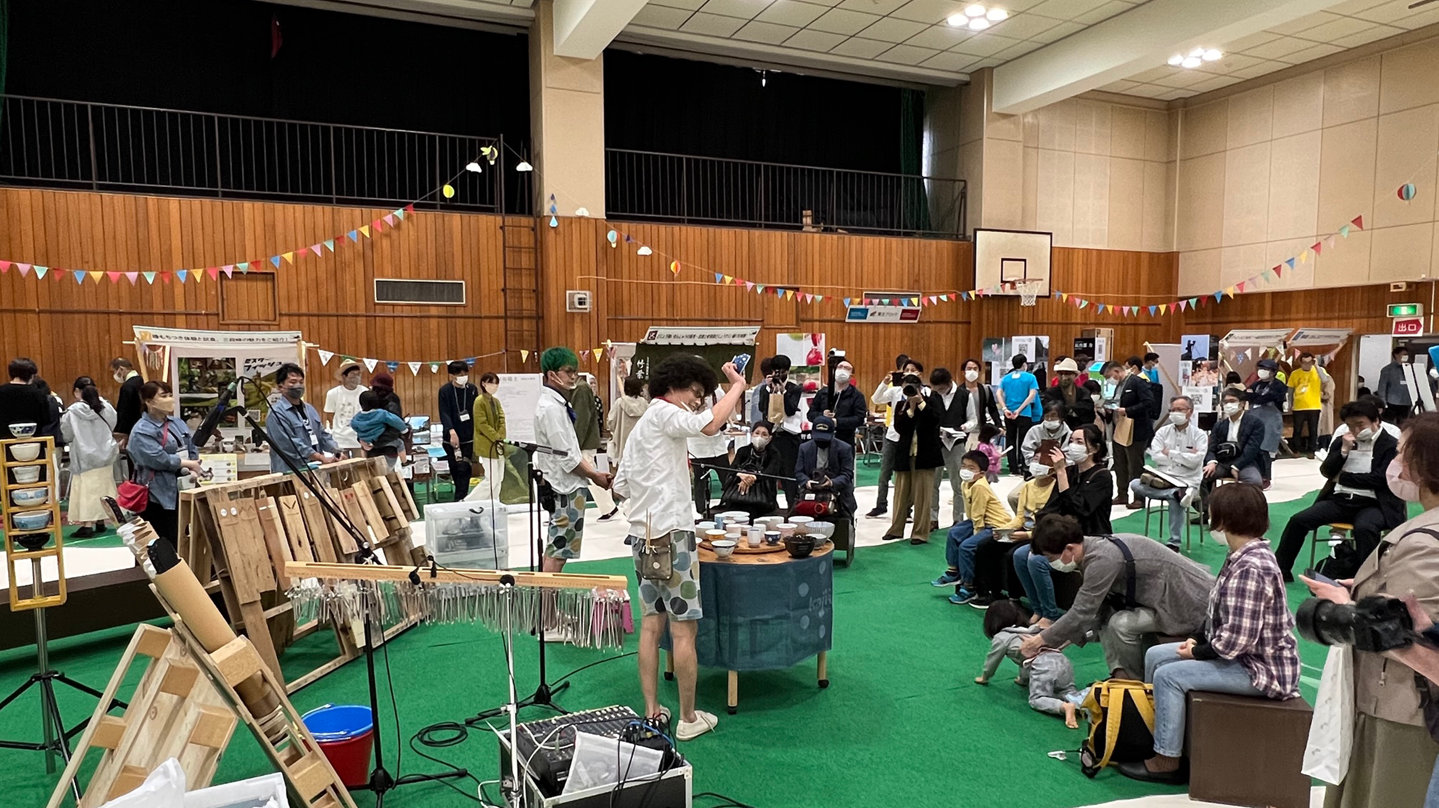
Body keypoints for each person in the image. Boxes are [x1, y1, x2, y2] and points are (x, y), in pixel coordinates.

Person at [1300, 412, 1439, 808]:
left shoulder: (1426, 542)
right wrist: (1365, 592)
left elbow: (1403, 631)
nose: (1396, 462)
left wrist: (1347, 609)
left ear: (1424, 464)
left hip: (1404, 705)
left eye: (1401, 452)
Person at [1120, 483, 1300, 784]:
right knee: (1155, 655)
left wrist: (1197, 652)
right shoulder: (1241, 554)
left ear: (1224, 518)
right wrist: (1198, 639)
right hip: (1242, 656)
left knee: (1168, 676)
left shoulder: (1251, 567)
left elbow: (1236, 641)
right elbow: (1218, 614)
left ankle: (1166, 760)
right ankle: (1156, 734)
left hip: (1261, 670)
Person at [612, 355, 747, 741]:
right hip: (672, 536)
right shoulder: (665, 414)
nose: (697, 401)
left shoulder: (643, 426)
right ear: (674, 387)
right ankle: (688, 718)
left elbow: (619, 486)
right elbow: (710, 424)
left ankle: (652, 710)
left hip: (642, 537)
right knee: (684, 631)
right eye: (695, 392)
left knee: (651, 626)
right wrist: (737, 386)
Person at [1023, 514, 1214, 679]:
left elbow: (1082, 611)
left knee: (1120, 624)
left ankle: (1134, 681)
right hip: (1167, 598)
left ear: (1070, 548)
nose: (1051, 563)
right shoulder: (1093, 547)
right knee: (1106, 618)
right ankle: (1119, 675)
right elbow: (1096, 610)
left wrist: (1040, 640)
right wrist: (1058, 640)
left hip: (1189, 605)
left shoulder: (1102, 560)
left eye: (1051, 558)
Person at [1275, 398, 1404, 579]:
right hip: (1340, 500)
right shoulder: (1343, 440)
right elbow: (1327, 471)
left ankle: (1365, 579)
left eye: (1360, 425)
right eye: (1351, 426)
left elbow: (1380, 479)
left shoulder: (1390, 445)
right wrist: (1343, 451)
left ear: (1376, 421)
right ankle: (1281, 569)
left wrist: (1343, 477)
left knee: (1365, 528)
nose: (1356, 431)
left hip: (1374, 503)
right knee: (1298, 520)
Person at [1013, 425, 1114, 630]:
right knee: (1020, 555)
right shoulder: (1070, 471)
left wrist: (1059, 471)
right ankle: (1038, 608)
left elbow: (1082, 509)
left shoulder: (1102, 476)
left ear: (1094, 448)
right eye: (1072, 441)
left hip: (1089, 536)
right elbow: (1052, 506)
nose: (1072, 446)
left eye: (1079, 442)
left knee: (1036, 560)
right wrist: (1039, 528)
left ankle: (1050, 615)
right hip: (1062, 535)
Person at [535, 348, 612, 575]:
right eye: (568, 371)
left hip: (568, 484)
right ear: (552, 374)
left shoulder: (558, 403)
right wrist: (595, 475)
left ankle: (548, 597)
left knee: (559, 548)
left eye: (575, 371)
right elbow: (566, 456)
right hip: (564, 486)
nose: (573, 376)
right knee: (558, 551)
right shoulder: (550, 408)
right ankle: (547, 598)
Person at [976, 599, 1080, 728]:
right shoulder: (1029, 630)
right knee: (1068, 691)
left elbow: (993, 659)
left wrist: (985, 676)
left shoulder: (1001, 638)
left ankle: (1063, 707)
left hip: (1044, 666)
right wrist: (1023, 679)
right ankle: (1083, 703)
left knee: (1037, 699)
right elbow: (1024, 662)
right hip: (1062, 661)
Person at [127, 381, 203, 550]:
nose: (169, 399)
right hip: (156, 494)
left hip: (182, 487)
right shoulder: (141, 430)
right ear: (148, 401)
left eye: (170, 395)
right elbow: (157, 458)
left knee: (182, 537)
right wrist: (186, 463)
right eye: (163, 396)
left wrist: (193, 467)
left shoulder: (178, 423)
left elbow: (191, 447)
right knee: (159, 542)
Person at [936, 450, 1013, 607]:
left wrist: (975, 535)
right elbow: (971, 513)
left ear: (982, 473)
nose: (965, 470)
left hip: (994, 524)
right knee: (954, 532)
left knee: (967, 547)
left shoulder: (980, 486)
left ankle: (968, 586)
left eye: (971, 468)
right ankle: (953, 571)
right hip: (977, 520)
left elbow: (979, 514)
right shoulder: (965, 483)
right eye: (964, 466)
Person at [1129, 395, 1206, 551]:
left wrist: (1170, 453)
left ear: (1190, 412)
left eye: (1179, 409)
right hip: (1163, 479)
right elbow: (1156, 456)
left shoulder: (1200, 435)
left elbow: (1195, 461)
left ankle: (1174, 542)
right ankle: (1175, 493)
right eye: (1172, 410)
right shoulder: (1162, 432)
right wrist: (1184, 456)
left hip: (1187, 481)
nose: (1175, 413)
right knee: (1135, 484)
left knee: (1176, 500)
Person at [883, 377, 941, 544]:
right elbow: (899, 428)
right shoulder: (901, 405)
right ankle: (896, 529)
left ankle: (920, 533)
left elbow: (934, 421)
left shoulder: (931, 401)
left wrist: (920, 403)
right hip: (905, 454)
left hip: (925, 455)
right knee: (900, 495)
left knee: (922, 496)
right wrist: (911, 409)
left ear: (920, 388)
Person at [60, 376, 119, 537]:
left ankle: (87, 525)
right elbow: (113, 424)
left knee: (86, 490)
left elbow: (66, 434)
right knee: (105, 488)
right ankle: (101, 521)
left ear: (77, 392)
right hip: (106, 453)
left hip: (84, 456)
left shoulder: (72, 412)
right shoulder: (107, 407)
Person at [867, 358, 925, 518]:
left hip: (912, 438)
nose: (909, 373)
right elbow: (876, 399)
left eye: (913, 370)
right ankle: (881, 505)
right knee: (884, 473)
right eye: (907, 370)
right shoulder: (895, 391)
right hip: (893, 436)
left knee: (908, 474)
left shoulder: (925, 392)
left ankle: (907, 509)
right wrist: (885, 383)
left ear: (920, 374)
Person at [266, 363, 338, 473]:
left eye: (301, 382)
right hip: (291, 471)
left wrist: (336, 451)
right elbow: (289, 444)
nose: (298, 386)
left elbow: (322, 434)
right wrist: (319, 457)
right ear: (280, 387)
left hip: (316, 469)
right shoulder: (276, 413)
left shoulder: (309, 409)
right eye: (293, 382)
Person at [1202, 388, 1265, 511]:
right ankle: (1207, 512)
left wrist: (1237, 466)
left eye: (1232, 401)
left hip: (1245, 462)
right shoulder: (1219, 425)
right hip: (1222, 462)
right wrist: (1211, 462)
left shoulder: (1255, 423)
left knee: (1255, 481)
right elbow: (1211, 447)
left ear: (1242, 403)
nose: (1228, 405)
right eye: (1225, 402)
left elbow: (1252, 448)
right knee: (1201, 477)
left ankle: (1251, 513)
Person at [755, 355, 802, 508]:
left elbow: (790, 410)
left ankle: (792, 507)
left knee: (789, 475)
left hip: (789, 436)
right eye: (775, 372)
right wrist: (769, 390)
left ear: (787, 371)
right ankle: (771, 506)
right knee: (770, 474)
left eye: (781, 372)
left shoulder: (794, 388)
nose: (778, 375)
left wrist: (783, 392)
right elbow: (762, 408)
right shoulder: (765, 388)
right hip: (772, 436)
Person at [927, 367, 970, 533]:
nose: (938, 392)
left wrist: (963, 427)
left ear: (949, 383)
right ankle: (932, 518)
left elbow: (973, 420)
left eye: (941, 389)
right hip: (936, 444)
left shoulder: (964, 396)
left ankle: (958, 518)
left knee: (958, 484)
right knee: (932, 484)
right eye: (936, 389)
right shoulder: (932, 396)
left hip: (956, 443)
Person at [1111, 357, 1157, 508]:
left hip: (1136, 428)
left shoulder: (1137, 382)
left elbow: (1148, 402)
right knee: (1120, 463)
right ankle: (1122, 494)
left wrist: (1128, 410)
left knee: (1135, 465)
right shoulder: (1119, 385)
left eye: (1109, 376)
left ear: (1116, 371)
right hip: (1120, 427)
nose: (1109, 380)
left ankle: (1139, 497)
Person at [602, 376, 646, 519]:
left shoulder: (620, 403)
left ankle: (623, 506)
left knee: (622, 476)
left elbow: (611, 422)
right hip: (642, 447)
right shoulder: (645, 404)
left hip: (623, 445)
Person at [795, 415, 856, 517]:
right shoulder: (804, 448)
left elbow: (847, 474)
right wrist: (806, 481)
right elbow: (798, 472)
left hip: (839, 493)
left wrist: (832, 482)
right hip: (811, 492)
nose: (821, 442)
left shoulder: (845, 449)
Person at [720, 420, 782, 518]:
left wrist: (753, 478)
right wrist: (742, 476)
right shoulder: (743, 450)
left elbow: (770, 472)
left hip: (762, 497)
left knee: (754, 510)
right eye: (757, 433)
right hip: (738, 494)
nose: (759, 437)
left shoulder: (774, 454)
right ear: (752, 434)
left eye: (764, 434)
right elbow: (733, 469)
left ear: (769, 438)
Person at [438, 360, 478, 502]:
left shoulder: (472, 389)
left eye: (465, 373)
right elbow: (444, 413)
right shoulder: (445, 391)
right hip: (451, 437)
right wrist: (451, 431)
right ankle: (460, 499)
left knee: (465, 469)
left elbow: (475, 412)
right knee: (455, 468)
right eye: (459, 374)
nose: (463, 376)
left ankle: (461, 500)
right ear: (452, 375)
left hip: (468, 437)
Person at [688, 388, 732, 515]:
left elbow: (726, 408)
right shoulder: (691, 391)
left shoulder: (718, 392)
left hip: (717, 444)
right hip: (697, 445)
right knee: (700, 480)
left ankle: (730, 504)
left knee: (727, 477)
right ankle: (701, 511)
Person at [996, 355, 1041, 476]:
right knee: (1024, 440)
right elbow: (1032, 395)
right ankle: (1023, 466)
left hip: (1008, 414)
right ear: (1024, 364)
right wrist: (1020, 409)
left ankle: (1013, 467)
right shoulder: (1030, 377)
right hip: (1024, 414)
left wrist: (1005, 408)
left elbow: (998, 393)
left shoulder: (1006, 378)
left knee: (1010, 439)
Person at [1246, 357, 1287, 486]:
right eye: (1261, 368)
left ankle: (1266, 477)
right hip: (1255, 420)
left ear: (1273, 372)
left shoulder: (1279, 386)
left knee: (1265, 450)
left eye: (1266, 369)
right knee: (1254, 448)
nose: (1262, 371)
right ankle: (1255, 475)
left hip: (1270, 421)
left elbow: (1268, 398)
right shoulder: (1256, 384)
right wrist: (1253, 396)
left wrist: (1254, 396)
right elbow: (1246, 395)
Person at [808, 357, 865, 450]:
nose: (842, 370)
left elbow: (859, 419)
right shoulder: (822, 393)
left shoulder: (857, 395)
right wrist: (822, 415)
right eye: (840, 367)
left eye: (847, 368)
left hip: (845, 442)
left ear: (851, 375)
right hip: (820, 440)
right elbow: (810, 414)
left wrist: (837, 422)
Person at [470, 372, 508, 502]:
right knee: (491, 479)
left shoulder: (496, 401)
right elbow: (482, 424)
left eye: (496, 383)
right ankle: (469, 501)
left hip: (499, 444)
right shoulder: (479, 401)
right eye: (491, 383)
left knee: (500, 478)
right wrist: (496, 437)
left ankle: (494, 502)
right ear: (484, 384)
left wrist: (500, 436)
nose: (494, 386)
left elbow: (502, 419)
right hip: (487, 444)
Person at [352, 391, 409, 469]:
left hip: (366, 441)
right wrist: (404, 429)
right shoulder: (381, 413)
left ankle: (365, 462)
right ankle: (404, 462)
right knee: (400, 443)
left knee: (363, 448)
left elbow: (353, 425)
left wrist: (362, 436)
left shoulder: (357, 417)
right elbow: (395, 421)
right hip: (380, 438)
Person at [323, 363, 367, 459]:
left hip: (359, 439)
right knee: (342, 466)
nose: (356, 378)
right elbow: (330, 415)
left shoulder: (365, 392)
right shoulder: (333, 393)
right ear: (344, 376)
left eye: (358, 374)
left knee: (360, 466)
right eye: (352, 375)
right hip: (340, 439)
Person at [0, 357, 53, 434]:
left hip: (3, 439)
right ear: (31, 376)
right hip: (34, 439)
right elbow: (46, 420)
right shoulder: (39, 394)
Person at [1043, 357, 1096, 431]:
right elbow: (1051, 409)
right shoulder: (1051, 392)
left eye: (1067, 374)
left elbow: (1088, 409)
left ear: (1075, 376)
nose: (1063, 377)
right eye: (1061, 374)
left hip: (1080, 429)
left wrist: (1068, 409)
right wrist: (1074, 409)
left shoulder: (1083, 392)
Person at [1288, 352, 1324, 458]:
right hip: (1298, 406)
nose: (1307, 365)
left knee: (1313, 429)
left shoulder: (1318, 371)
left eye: (1309, 362)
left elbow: (1325, 379)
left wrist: (1316, 366)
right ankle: (1296, 449)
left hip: (1314, 406)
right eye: (1304, 362)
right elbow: (1290, 389)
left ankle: (1312, 450)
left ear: (1313, 362)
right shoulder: (1295, 373)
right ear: (1300, 363)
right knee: (1297, 429)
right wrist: (1290, 403)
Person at [1021, 400, 1071, 473]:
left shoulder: (1069, 434)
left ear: (1061, 417)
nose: (1049, 419)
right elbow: (1027, 450)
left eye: (1053, 415)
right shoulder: (1034, 431)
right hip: (1038, 470)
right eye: (1047, 416)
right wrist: (1034, 463)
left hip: (1062, 470)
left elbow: (1070, 457)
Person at [110, 357, 145, 449]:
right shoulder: (142, 381)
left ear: (121, 369)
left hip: (131, 430)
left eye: (115, 371)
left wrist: (120, 431)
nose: (115, 375)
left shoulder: (127, 386)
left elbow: (124, 411)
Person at [1377, 345, 1414, 426]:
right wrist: (1383, 403)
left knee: (1404, 424)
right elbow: (1382, 387)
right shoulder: (1387, 370)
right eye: (1403, 354)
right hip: (1392, 402)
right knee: (1390, 423)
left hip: (1407, 402)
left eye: (1407, 354)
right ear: (1396, 355)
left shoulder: (1411, 368)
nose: (1406, 356)